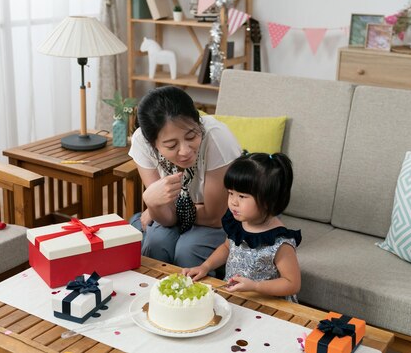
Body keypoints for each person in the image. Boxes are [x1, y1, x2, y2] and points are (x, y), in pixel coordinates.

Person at [128, 86, 241, 268]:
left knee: (188, 251)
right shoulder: (142, 142)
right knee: (156, 242)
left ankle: (199, 295)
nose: (185, 151)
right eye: (171, 146)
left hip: (223, 217)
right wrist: (152, 202)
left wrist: (162, 210)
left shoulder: (217, 138)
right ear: (153, 144)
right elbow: (165, 216)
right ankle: (153, 295)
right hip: (190, 212)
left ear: (198, 123)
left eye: (191, 136)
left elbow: (214, 217)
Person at [183, 152, 302, 301]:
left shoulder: (280, 242)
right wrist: (205, 266)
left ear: (268, 200)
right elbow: (227, 248)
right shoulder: (239, 223)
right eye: (231, 193)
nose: (233, 201)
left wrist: (255, 286)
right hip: (236, 297)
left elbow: (292, 284)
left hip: (266, 306)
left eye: (242, 196)